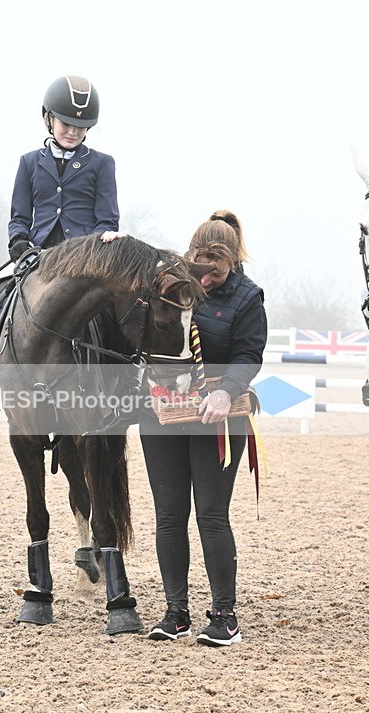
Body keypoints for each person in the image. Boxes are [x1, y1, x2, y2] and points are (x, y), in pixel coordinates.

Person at [0, 74, 120, 423]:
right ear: (48, 118)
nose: (73, 132)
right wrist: (21, 243)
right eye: (67, 123)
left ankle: (119, 391)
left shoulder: (102, 164)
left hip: (83, 262)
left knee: (116, 309)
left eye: (82, 126)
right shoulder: (30, 162)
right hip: (35, 257)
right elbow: (19, 216)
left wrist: (92, 248)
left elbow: (108, 220)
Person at [141, 210, 268, 646]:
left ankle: (224, 616)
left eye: (216, 271)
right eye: (201, 269)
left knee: (211, 516)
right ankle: (176, 612)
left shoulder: (248, 298)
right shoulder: (174, 284)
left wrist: (225, 390)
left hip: (218, 416)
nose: (207, 280)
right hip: (164, 415)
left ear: (231, 260)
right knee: (169, 516)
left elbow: (249, 355)